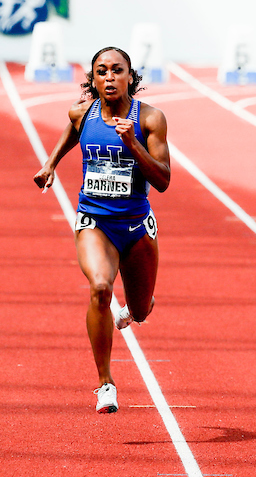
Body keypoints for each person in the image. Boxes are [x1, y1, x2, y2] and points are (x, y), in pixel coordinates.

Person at [32, 47, 171, 414]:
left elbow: (163, 180)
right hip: (95, 219)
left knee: (139, 312)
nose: (109, 77)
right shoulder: (83, 112)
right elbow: (71, 134)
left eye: (117, 70)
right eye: (101, 71)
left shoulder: (151, 119)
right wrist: (50, 164)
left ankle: (139, 306)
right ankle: (105, 382)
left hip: (138, 224)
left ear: (130, 77)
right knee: (100, 288)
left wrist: (132, 144)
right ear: (93, 79)